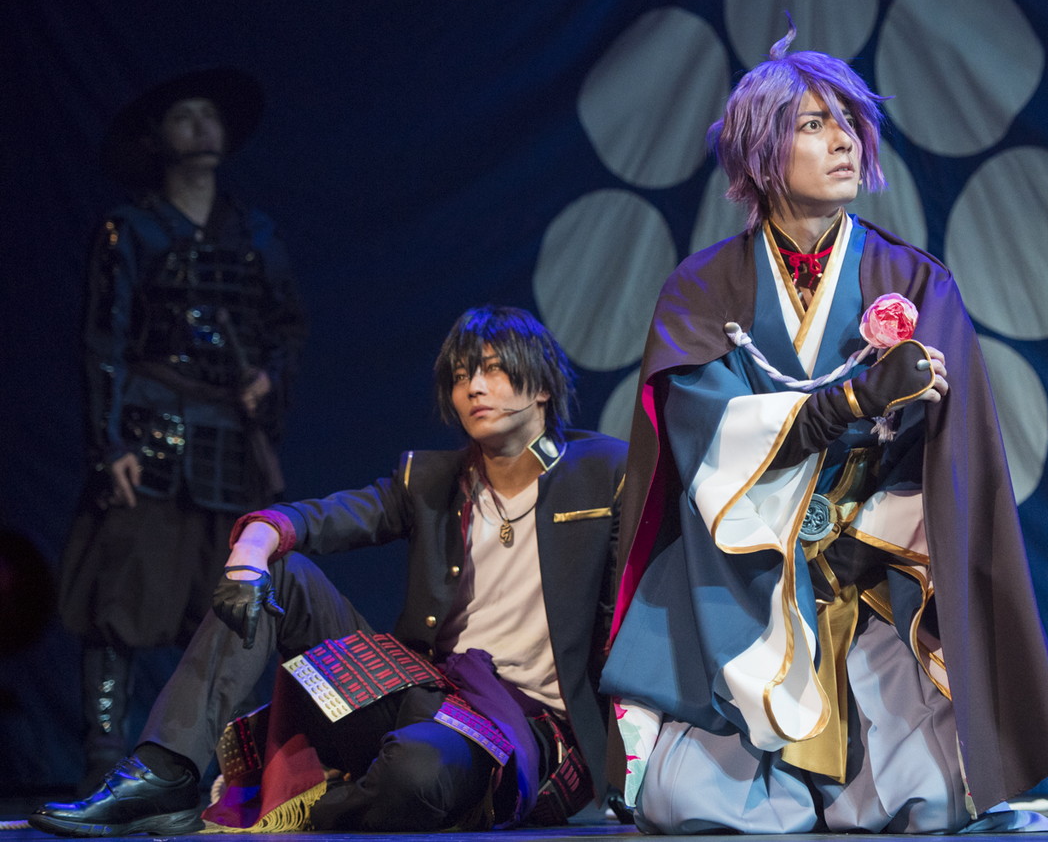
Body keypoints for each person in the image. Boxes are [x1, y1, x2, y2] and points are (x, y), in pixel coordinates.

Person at [600, 24, 1048, 834]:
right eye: (814, 123)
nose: (844, 141)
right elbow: (710, 438)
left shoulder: (914, 281)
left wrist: (863, 530)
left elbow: (951, 462)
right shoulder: (701, 291)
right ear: (761, 152)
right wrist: (853, 400)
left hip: (872, 574)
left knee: (927, 801)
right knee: (699, 805)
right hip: (744, 582)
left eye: (851, 122)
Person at [31, 306, 627, 837]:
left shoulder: (604, 472)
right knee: (278, 573)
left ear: (541, 386)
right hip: (429, 694)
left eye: (493, 370)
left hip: (529, 725)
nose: (473, 387)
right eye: (461, 374)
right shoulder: (431, 479)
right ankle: (166, 772)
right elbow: (322, 518)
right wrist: (251, 551)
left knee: (414, 772)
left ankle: (313, 800)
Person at [57, 67, 307, 791]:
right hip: (150, 439)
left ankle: (227, 769)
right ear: (156, 137)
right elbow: (103, 341)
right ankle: (103, 762)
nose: (201, 126)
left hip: (230, 445)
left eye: (210, 115)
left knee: (236, 608)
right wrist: (109, 444)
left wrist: (268, 376)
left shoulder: (256, 233)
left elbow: (288, 328)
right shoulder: (129, 229)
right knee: (117, 603)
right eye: (183, 115)